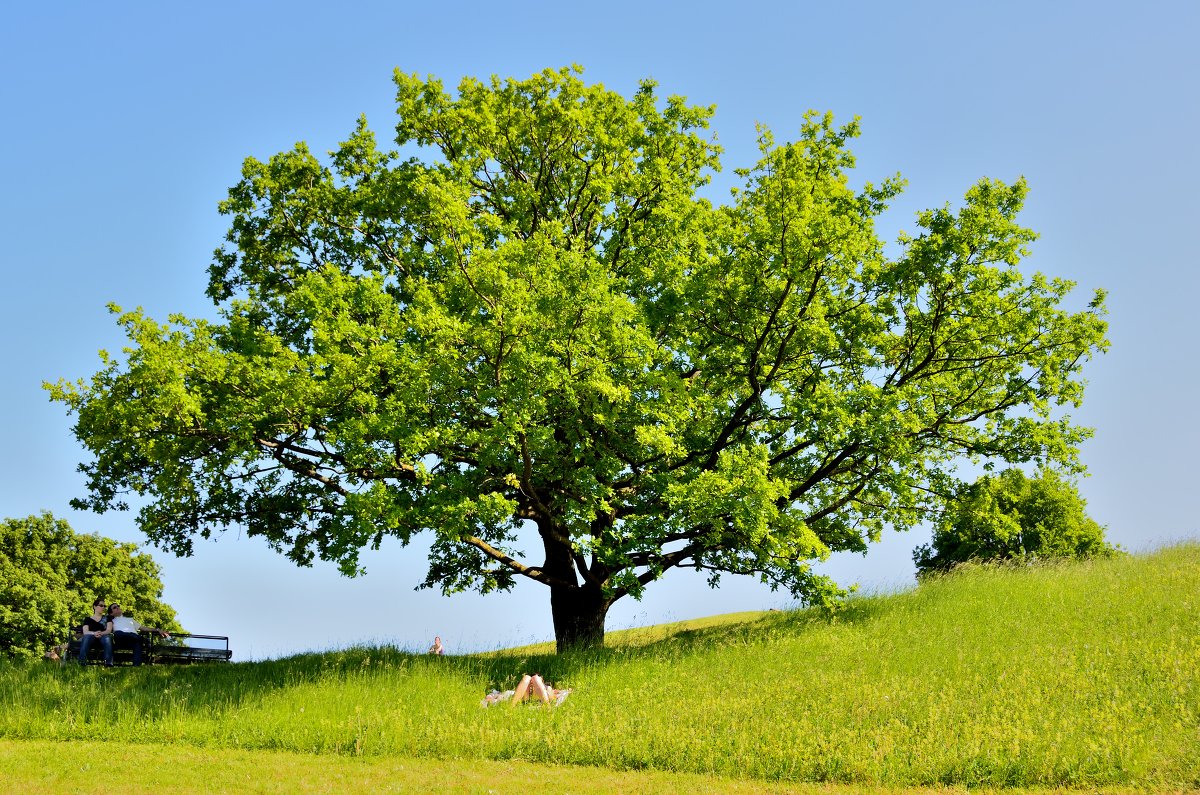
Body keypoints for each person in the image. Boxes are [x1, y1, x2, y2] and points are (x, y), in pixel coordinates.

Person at [482, 673, 570, 707]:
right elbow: (498, 696)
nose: (532, 682)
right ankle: (511, 707)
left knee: (533, 678)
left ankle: (547, 708)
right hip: (524, 696)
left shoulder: (547, 688)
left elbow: (558, 692)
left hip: (541, 697)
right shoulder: (517, 691)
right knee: (527, 677)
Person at [78, 598, 114, 666]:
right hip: (91, 636)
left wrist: (101, 633)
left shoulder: (107, 618)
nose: (103, 607)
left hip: (104, 635)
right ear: (94, 607)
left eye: (104, 606)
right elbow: (85, 631)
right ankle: (82, 662)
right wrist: (94, 633)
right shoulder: (87, 619)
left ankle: (108, 663)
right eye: (101, 605)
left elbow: (109, 630)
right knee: (86, 637)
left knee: (107, 638)